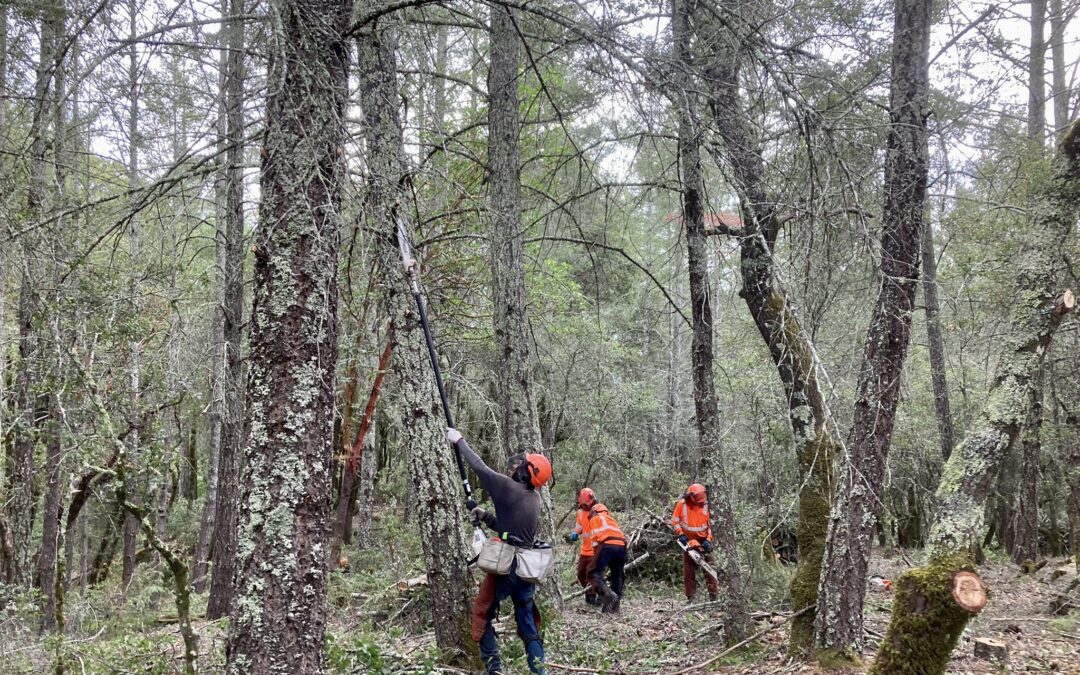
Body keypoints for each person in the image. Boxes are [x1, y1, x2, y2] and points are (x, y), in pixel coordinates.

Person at [448, 427, 552, 675]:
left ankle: (495, 668)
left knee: (481, 614)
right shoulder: (534, 499)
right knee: (527, 624)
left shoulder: (507, 487)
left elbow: (480, 467)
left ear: (527, 474)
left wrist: (459, 440)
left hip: (507, 567)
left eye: (522, 465)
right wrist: (483, 516)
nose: (516, 467)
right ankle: (539, 670)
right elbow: (510, 528)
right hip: (527, 569)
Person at [671, 483, 719, 603]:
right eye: (698, 501)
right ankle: (691, 598)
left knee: (710, 569)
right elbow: (675, 521)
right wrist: (680, 533)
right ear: (691, 497)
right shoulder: (681, 505)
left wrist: (709, 539)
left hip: (704, 541)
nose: (700, 503)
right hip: (688, 541)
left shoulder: (707, 506)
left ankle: (714, 596)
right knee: (688, 571)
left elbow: (712, 525)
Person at [583, 501, 627, 613]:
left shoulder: (594, 519)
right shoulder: (611, 519)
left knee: (593, 572)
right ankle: (614, 608)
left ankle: (607, 594)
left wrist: (595, 561)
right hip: (622, 546)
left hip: (607, 545)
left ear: (594, 512)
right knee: (617, 576)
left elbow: (595, 543)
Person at [567, 488, 598, 606]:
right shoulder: (580, 512)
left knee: (591, 576)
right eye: (582, 503)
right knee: (581, 575)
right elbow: (579, 526)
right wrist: (575, 533)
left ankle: (592, 598)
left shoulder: (598, 510)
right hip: (584, 550)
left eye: (586, 503)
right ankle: (594, 592)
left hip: (596, 550)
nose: (584, 505)